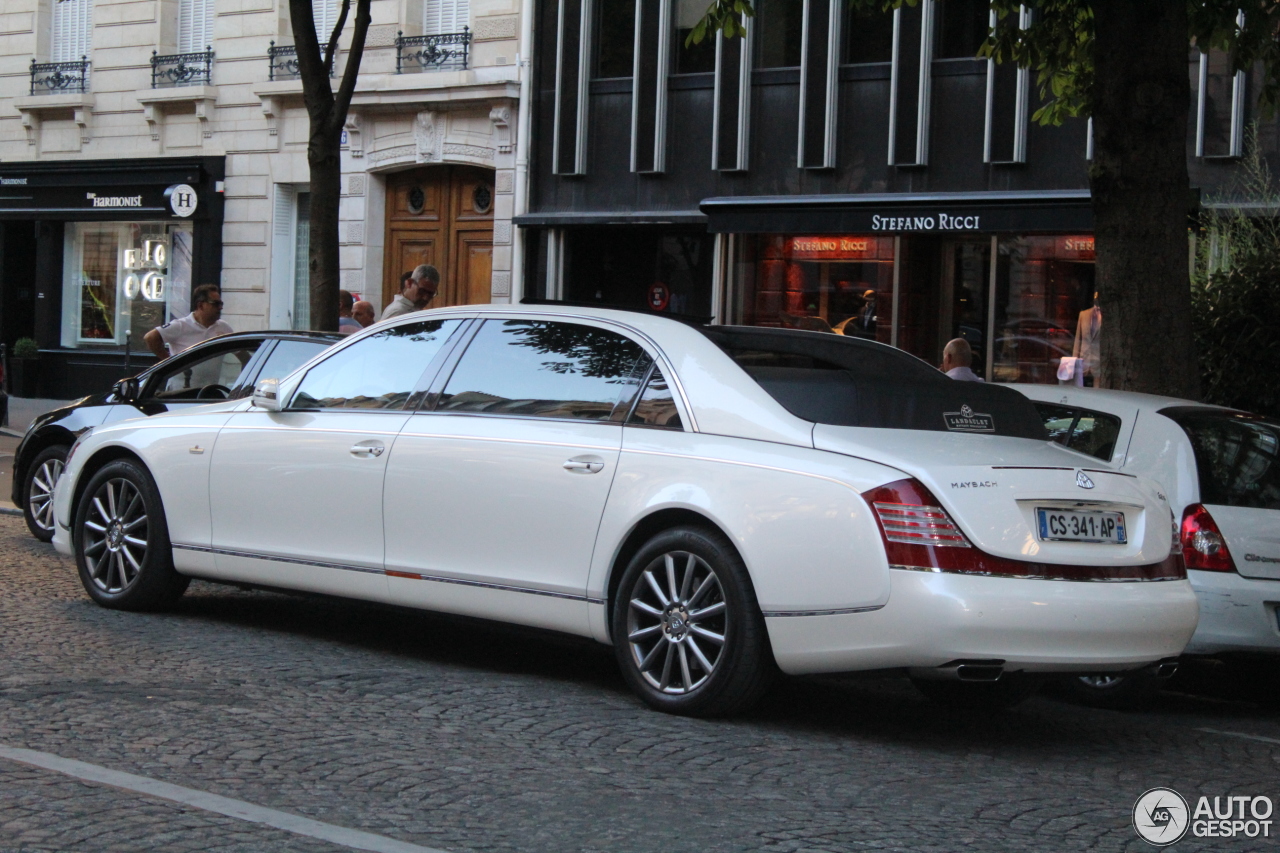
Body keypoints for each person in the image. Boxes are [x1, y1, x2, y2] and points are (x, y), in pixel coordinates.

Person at [144, 284, 233, 360]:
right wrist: (170, 363)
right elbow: (150, 337)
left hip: (212, 381)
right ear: (200, 305)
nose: (220, 307)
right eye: (216, 304)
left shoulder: (223, 327)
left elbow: (241, 354)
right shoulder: (181, 325)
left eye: (221, 304)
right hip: (181, 380)